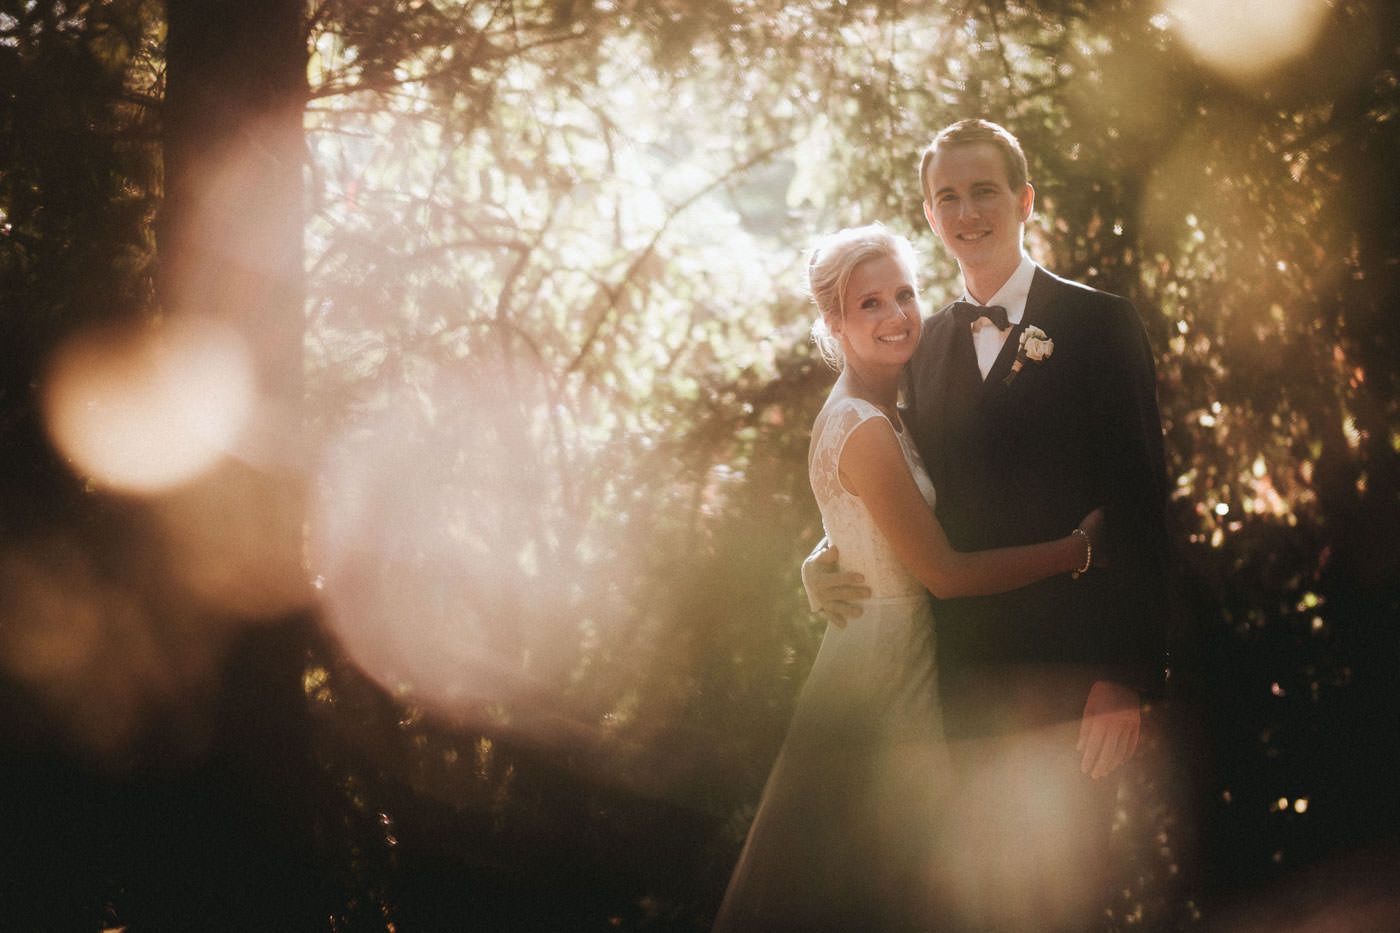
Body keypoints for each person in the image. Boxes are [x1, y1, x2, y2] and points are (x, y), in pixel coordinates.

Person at [805, 119, 1170, 930]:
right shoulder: (920, 348)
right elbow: (898, 482)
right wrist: (823, 552)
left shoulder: (1100, 325)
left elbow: (1143, 505)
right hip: (960, 684)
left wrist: (1127, 673)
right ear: (931, 217)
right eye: (948, 197)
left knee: (1073, 897)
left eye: (984, 190)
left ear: (1024, 200)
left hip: (1077, 682)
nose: (967, 210)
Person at [714, 223, 1105, 932]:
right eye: (870, 304)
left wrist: (823, 554)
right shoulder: (863, 424)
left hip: (896, 650)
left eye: (905, 293)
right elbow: (945, 574)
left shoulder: (887, 406)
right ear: (833, 322)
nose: (896, 315)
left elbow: (863, 520)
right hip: (883, 669)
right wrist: (1074, 549)